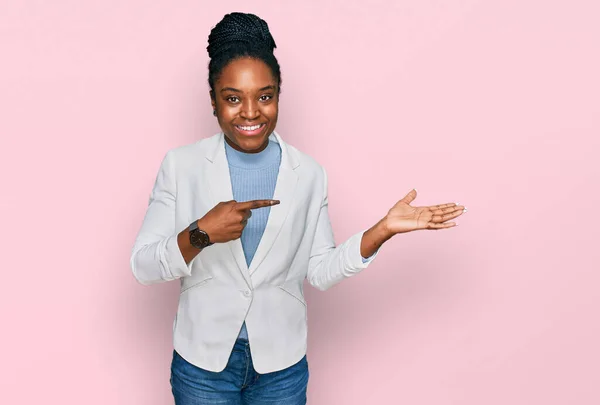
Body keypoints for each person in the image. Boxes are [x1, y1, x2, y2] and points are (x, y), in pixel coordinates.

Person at [130, 12, 466, 405]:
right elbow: (143, 266)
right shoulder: (180, 165)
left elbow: (320, 272)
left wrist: (381, 231)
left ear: (278, 95)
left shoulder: (309, 173)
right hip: (203, 365)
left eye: (265, 96)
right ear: (213, 101)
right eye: (233, 98)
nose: (251, 112)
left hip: (281, 367)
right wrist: (200, 233)